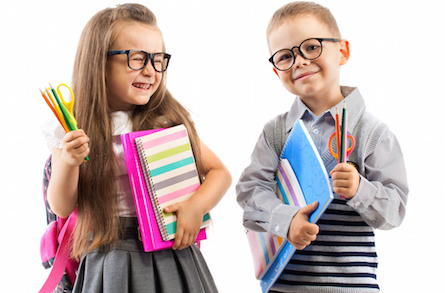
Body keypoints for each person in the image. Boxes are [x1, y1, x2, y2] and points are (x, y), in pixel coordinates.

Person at [45, 3, 231, 292]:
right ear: (99, 62)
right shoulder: (74, 128)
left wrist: (197, 206)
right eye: (137, 58)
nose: (151, 71)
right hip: (112, 256)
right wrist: (69, 162)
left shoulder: (165, 120)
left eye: (158, 60)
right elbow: (61, 205)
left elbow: (219, 172)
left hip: (174, 254)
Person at [236, 1, 408, 292]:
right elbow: (250, 191)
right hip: (285, 286)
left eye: (312, 47)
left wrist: (359, 189)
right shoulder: (276, 133)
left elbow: (395, 212)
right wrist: (285, 219)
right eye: (285, 56)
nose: (300, 61)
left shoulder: (372, 134)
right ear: (276, 72)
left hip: (351, 286)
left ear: (342, 52)